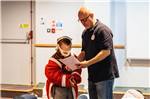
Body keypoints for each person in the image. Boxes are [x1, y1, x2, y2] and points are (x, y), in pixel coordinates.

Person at [76, 6, 119, 99]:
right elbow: (84, 52)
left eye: (84, 20)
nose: (83, 23)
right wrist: (74, 62)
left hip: (105, 76)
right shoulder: (85, 33)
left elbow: (106, 52)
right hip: (92, 75)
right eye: (80, 21)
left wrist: (88, 63)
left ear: (91, 15)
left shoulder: (102, 30)